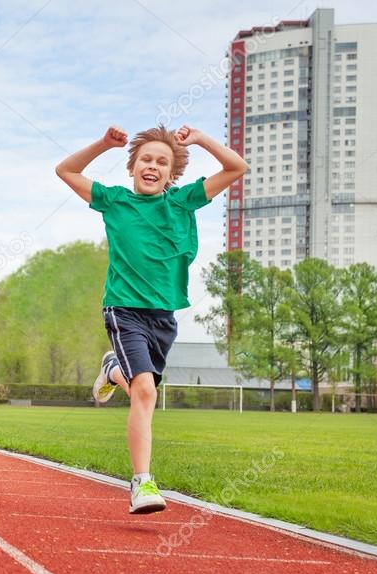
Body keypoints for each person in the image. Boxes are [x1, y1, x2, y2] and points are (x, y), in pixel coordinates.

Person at [56, 124, 248, 513]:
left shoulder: (183, 202)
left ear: (171, 173)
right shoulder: (115, 201)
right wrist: (103, 145)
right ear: (132, 167)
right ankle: (142, 483)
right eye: (146, 159)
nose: (153, 166)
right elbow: (66, 171)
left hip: (164, 317)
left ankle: (112, 371)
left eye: (163, 162)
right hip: (123, 309)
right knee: (146, 391)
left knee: (142, 390)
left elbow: (236, 168)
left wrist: (200, 140)